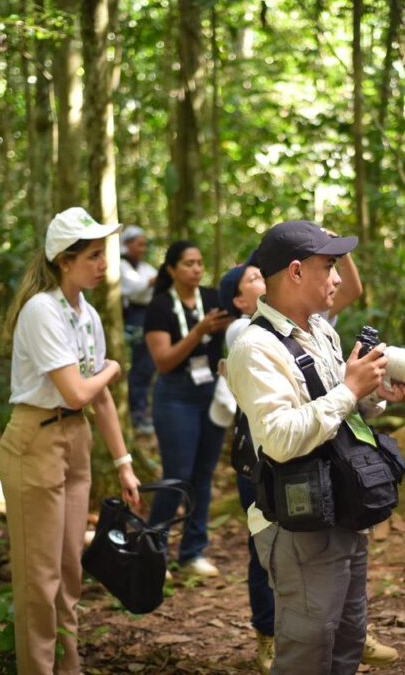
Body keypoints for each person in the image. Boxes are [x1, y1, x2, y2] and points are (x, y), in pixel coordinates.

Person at [226, 220, 405, 674]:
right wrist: (349, 391)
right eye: (330, 266)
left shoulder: (320, 330)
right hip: (297, 523)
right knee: (308, 649)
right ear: (296, 272)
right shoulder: (254, 347)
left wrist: (375, 395)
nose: (338, 278)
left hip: (342, 506)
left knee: (348, 637)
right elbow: (279, 438)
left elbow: (336, 412)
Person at [0, 207, 142, 674]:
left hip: (74, 439)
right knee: (39, 578)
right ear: (65, 259)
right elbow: (81, 389)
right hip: (35, 439)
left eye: (105, 254)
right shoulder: (42, 310)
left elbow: (96, 403)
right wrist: (114, 369)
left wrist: (123, 462)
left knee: (69, 570)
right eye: (94, 256)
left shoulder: (88, 315)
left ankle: (69, 666)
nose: (104, 265)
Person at [144, 240, 232, 577]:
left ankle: (193, 552)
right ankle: (155, 551)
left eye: (199, 263)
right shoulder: (160, 306)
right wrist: (198, 332)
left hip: (210, 391)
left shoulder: (212, 298)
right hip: (176, 395)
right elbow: (164, 362)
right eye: (188, 263)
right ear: (171, 269)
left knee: (203, 476)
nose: (196, 269)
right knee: (177, 476)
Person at [120, 225, 158, 434]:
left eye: (145, 245)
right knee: (141, 366)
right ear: (127, 245)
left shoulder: (144, 267)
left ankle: (143, 410)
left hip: (148, 315)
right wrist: (150, 283)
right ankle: (138, 413)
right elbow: (134, 289)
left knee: (148, 365)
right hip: (134, 317)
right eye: (139, 244)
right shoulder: (121, 265)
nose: (143, 249)